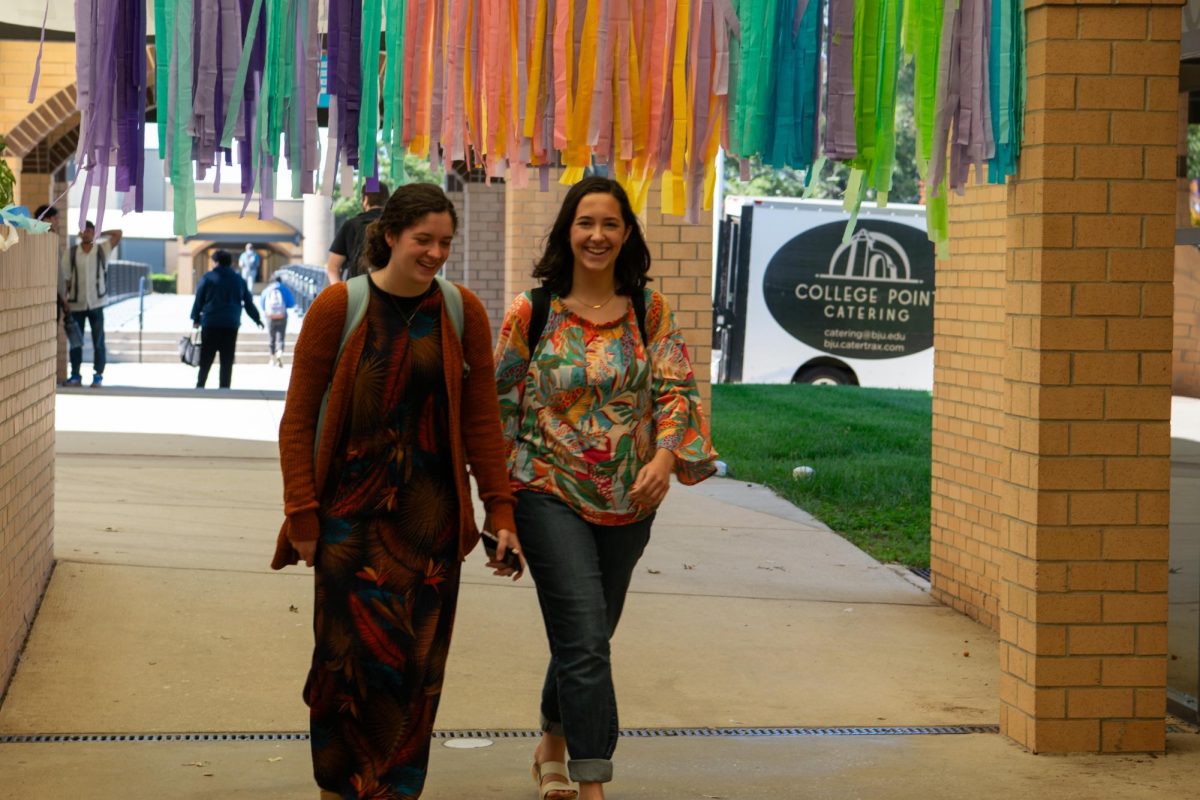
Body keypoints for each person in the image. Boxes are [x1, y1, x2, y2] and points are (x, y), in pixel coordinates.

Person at [271, 183, 522, 800]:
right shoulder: (339, 307)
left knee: (415, 672)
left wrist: (501, 509)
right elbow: (298, 419)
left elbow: (482, 422)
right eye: (423, 240)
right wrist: (302, 513)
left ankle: (395, 792)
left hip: (431, 530)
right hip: (347, 526)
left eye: (444, 242)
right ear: (389, 237)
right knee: (343, 667)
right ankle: (338, 787)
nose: (435, 252)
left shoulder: (462, 311)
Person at [494, 177, 718, 800]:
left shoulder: (650, 310)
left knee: (584, 635)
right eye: (586, 223)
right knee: (587, 638)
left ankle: (552, 747)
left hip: (631, 499)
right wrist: (499, 510)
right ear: (568, 231)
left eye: (610, 224)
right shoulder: (530, 312)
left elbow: (676, 389)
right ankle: (591, 782)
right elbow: (500, 409)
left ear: (627, 234)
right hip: (547, 489)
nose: (597, 235)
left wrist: (667, 458)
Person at [190, 249, 264, 389]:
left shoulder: (208, 277)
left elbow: (198, 299)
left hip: (210, 323)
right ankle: (225, 387)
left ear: (216, 262)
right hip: (231, 324)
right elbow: (248, 302)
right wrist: (257, 319)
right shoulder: (238, 280)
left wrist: (195, 318)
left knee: (206, 357)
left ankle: (200, 385)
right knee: (227, 358)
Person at [61, 220, 122, 387]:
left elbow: (118, 233)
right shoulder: (71, 253)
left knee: (98, 341)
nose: (86, 233)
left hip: (96, 302)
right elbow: (66, 279)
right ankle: (75, 375)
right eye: (83, 230)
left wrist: (99, 234)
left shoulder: (102, 249)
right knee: (75, 341)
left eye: (90, 230)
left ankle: (98, 375)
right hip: (76, 304)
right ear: (79, 233)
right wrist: (65, 300)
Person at [326, 181, 390, 285]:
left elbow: (333, 268)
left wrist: (342, 294)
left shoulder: (351, 225)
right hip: (389, 293)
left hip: (357, 291)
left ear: (365, 199)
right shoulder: (395, 225)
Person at [260, 273, 296, 367]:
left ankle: (271, 358)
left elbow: (262, 303)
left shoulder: (267, 290)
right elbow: (291, 303)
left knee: (271, 337)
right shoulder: (284, 289)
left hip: (270, 316)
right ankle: (279, 353)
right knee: (280, 336)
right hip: (282, 316)